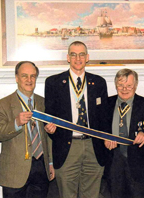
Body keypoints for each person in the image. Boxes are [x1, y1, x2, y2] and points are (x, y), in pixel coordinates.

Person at [44, 41, 110, 198]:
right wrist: (49, 128)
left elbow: (104, 117)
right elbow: (49, 115)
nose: (78, 58)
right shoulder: (53, 83)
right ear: (68, 57)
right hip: (67, 148)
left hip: (93, 147)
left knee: (92, 194)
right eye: (73, 54)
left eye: (81, 54)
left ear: (87, 57)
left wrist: (107, 139)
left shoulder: (99, 82)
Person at [0, 61, 55, 198]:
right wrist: (16, 123)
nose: (29, 80)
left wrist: (50, 162)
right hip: (14, 172)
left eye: (32, 76)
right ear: (16, 78)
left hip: (41, 168)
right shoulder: (3, 104)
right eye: (24, 76)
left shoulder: (43, 102)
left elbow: (47, 137)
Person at [104, 69, 144, 198]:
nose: (124, 89)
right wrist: (104, 140)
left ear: (135, 86)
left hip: (139, 163)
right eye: (121, 85)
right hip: (113, 160)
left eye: (129, 85)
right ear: (115, 85)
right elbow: (100, 128)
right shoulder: (106, 104)